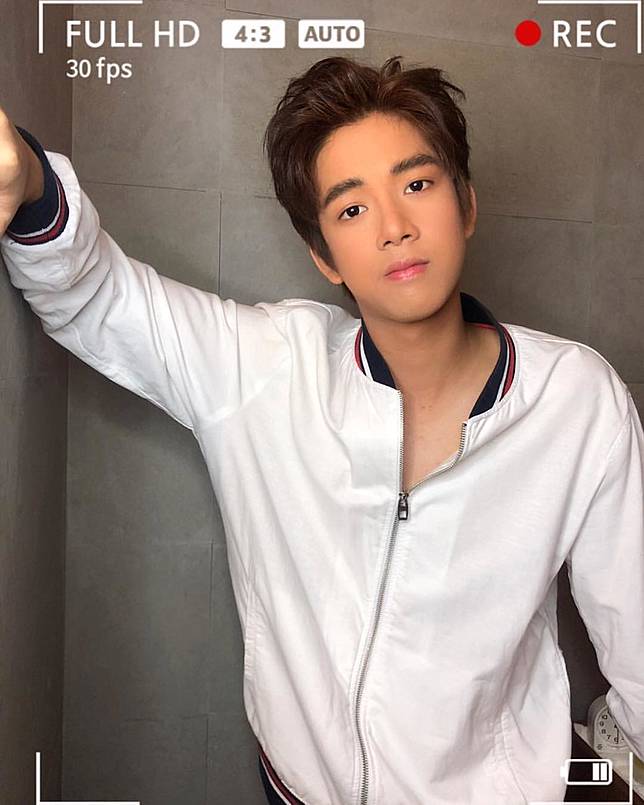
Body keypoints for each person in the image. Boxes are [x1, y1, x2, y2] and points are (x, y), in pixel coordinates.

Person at [1, 55, 643, 805]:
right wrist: (29, 181)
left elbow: (635, 629)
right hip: (302, 789)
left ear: (466, 203)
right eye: (352, 209)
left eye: (417, 185)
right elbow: (97, 296)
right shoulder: (264, 369)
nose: (395, 228)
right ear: (323, 255)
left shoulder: (576, 400)